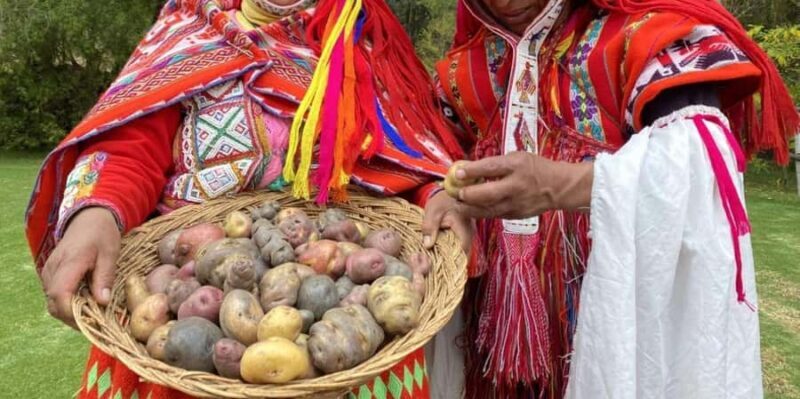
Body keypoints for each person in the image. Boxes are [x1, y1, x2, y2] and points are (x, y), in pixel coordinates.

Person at [25, 0, 467, 398]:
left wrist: (435, 196)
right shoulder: (187, 28)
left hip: (354, 344)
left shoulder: (366, 36)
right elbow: (130, 149)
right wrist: (97, 212)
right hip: (181, 339)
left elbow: (404, 156)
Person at [420, 0, 799, 398]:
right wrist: (445, 199)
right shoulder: (461, 72)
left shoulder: (644, 36)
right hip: (489, 342)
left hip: (615, 324)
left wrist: (560, 185)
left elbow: (699, 164)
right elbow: (431, 159)